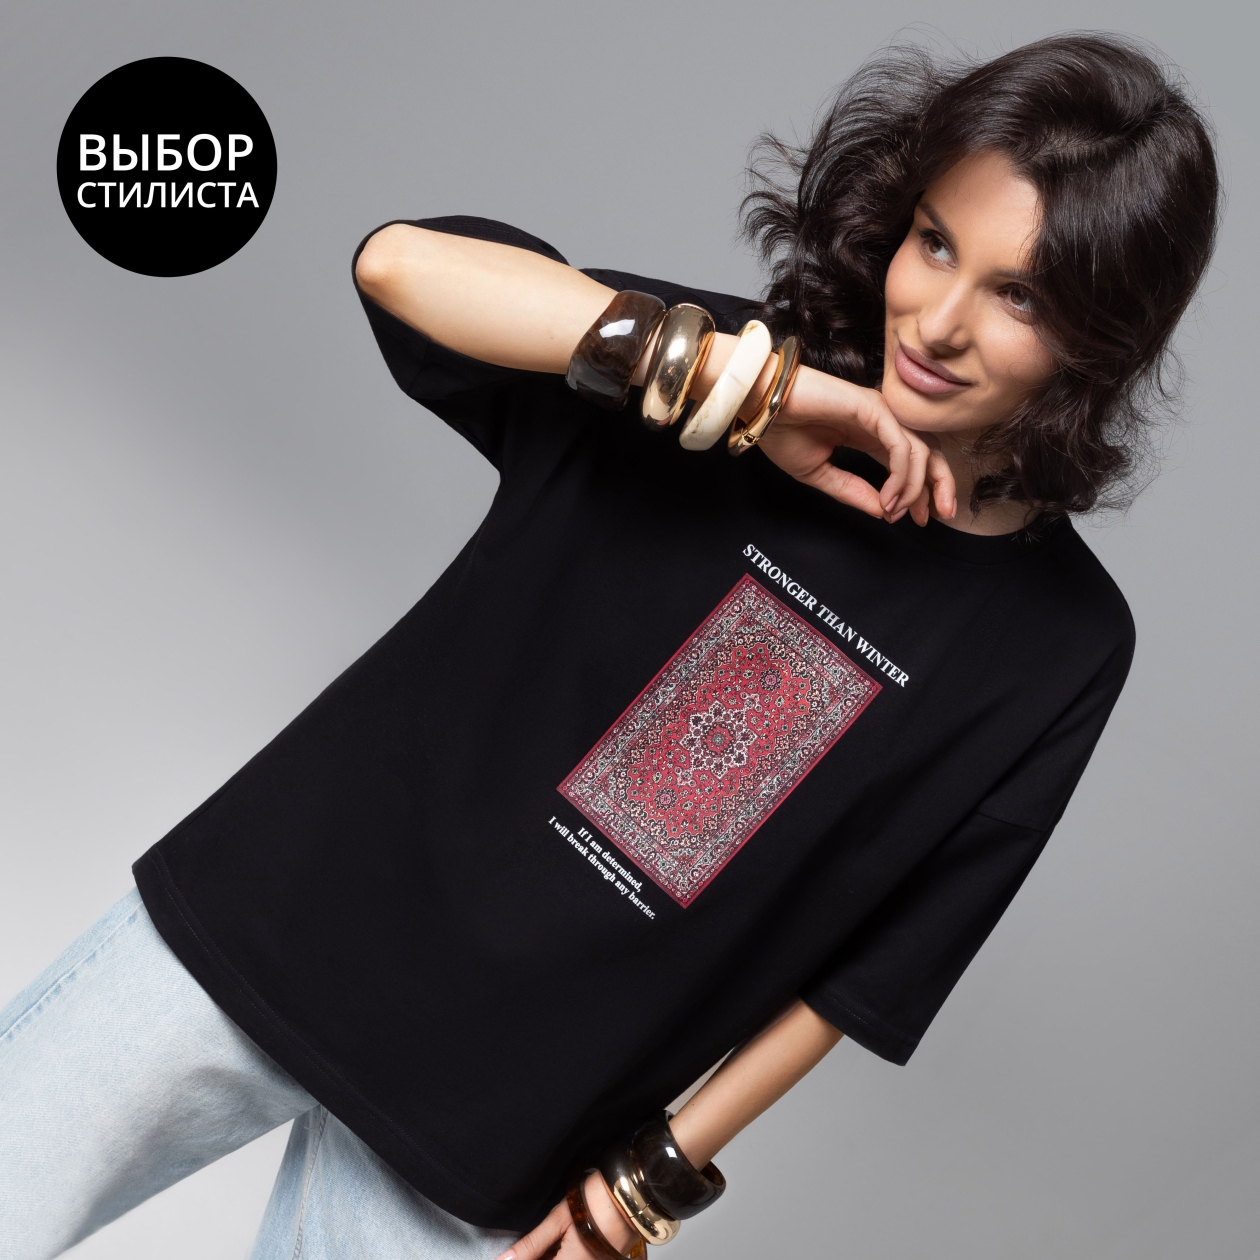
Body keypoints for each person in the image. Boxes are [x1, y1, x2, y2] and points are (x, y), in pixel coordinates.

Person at [0, 32, 1219, 1260]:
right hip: (279, 914)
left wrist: (644, 1191)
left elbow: (873, 974)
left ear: (1100, 337)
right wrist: (739, 390)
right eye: (936, 242)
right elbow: (399, 267)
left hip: (507, 1126)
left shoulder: (1061, 642)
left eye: (1020, 297)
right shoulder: (724, 381)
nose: (940, 322)